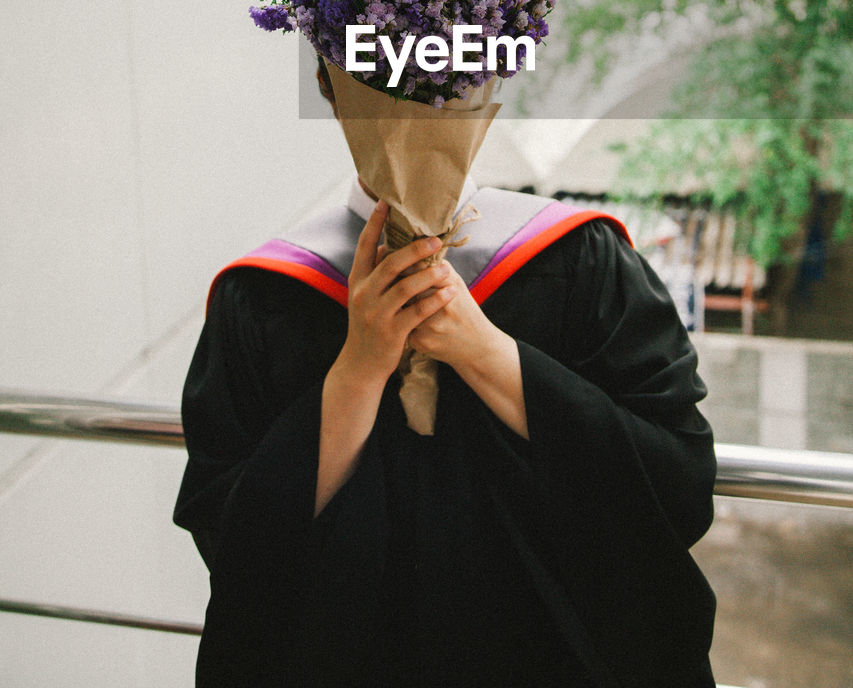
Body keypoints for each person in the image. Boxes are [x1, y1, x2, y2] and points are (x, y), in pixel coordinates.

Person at [174, 66, 717, 688]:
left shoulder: (581, 260)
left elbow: (678, 485)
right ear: (331, 82)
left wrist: (485, 352)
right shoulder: (264, 297)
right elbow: (234, 542)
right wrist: (359, 369)